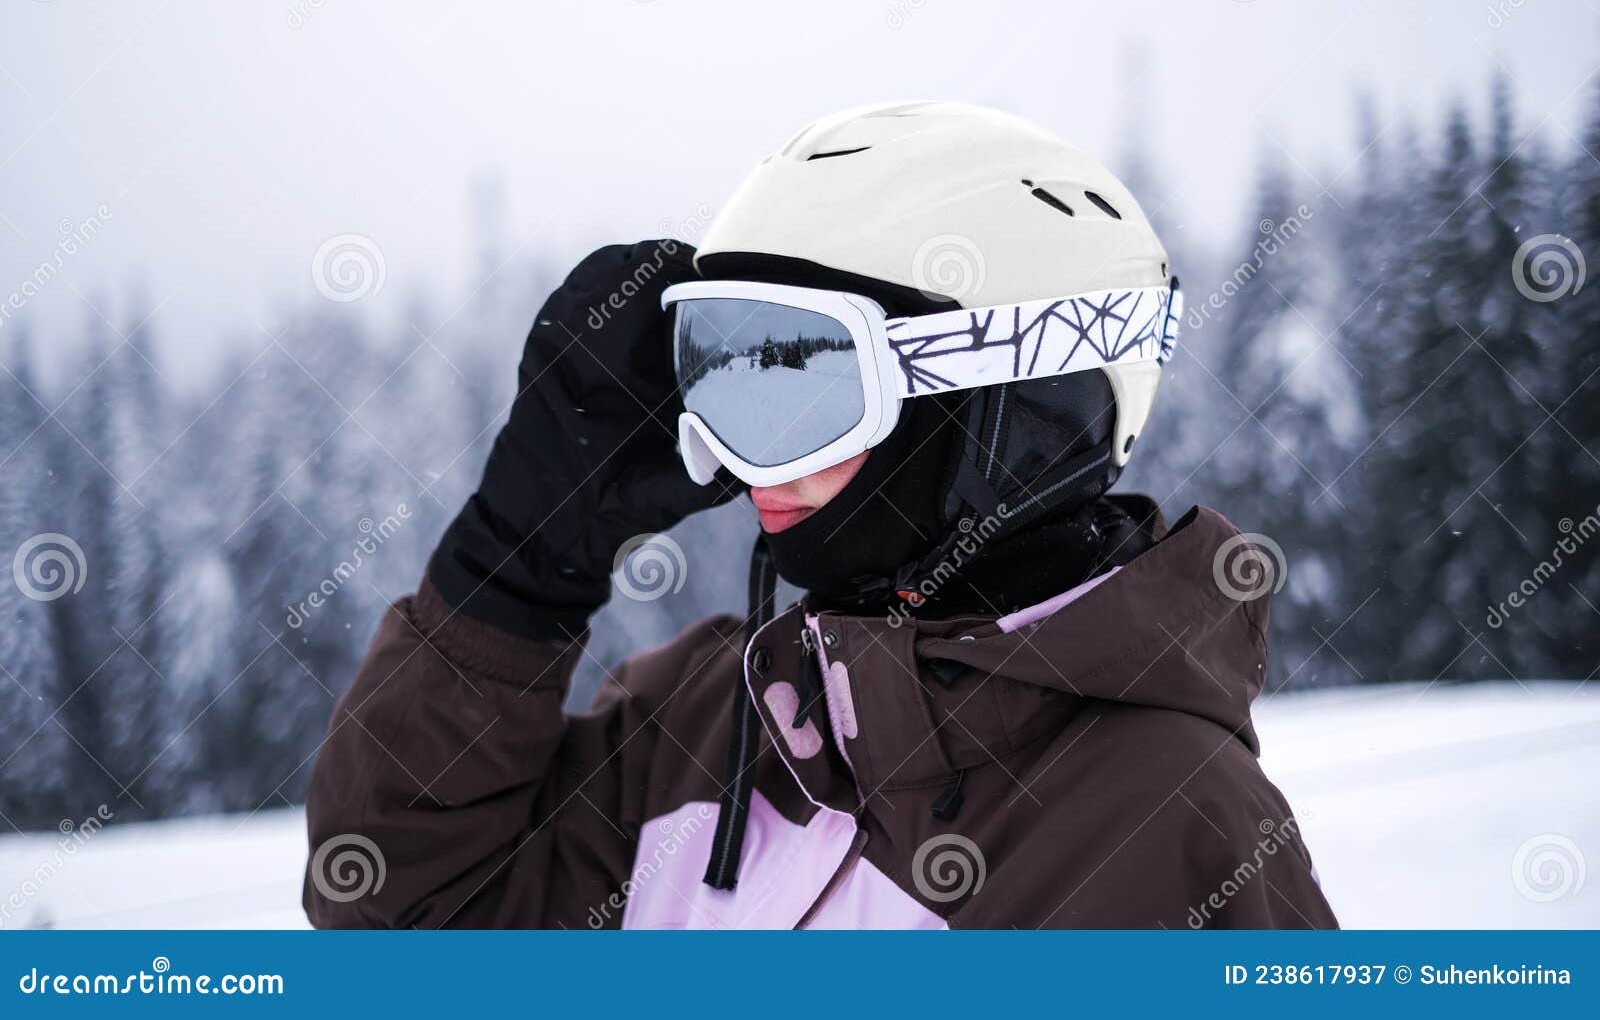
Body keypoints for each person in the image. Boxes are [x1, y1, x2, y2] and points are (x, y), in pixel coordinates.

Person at [302, 101, 1337, 929]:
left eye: (798, 373)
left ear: (1012, 408)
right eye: (715, 367)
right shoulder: (707, 722)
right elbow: (397, 914)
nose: (744, 455)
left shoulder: (1171, 825)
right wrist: (517, 569)